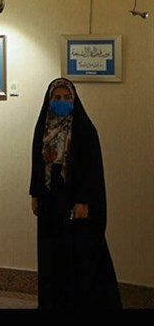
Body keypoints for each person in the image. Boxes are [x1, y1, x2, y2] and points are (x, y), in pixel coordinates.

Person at [29, 77, 122, 309]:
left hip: (74, 199)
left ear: (74, 100)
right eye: (57, 98)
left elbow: (91, 169)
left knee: (77, 254)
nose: (61, 102)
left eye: (66, 97)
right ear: (49, 100)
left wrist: (83, 201)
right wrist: (35, 194)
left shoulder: (85, 130)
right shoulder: (44, 127)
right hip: (50, 199)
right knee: (51, 253)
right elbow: (37, 163)